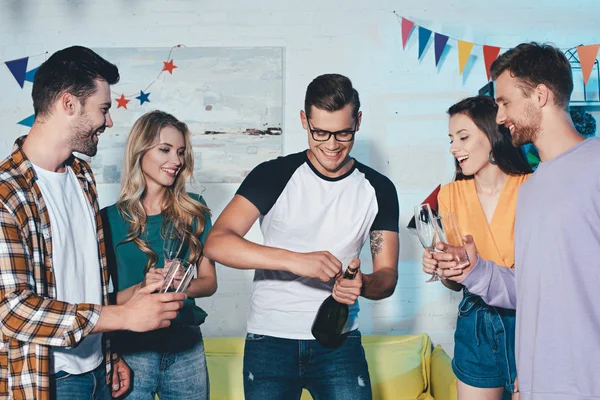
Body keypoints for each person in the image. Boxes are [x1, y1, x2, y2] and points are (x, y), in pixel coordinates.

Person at [0, 46, 186, 400]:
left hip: (98, 370)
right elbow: (11, 310)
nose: (109, 121)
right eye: (103, 109)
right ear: (68, 105)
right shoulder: (7, 192)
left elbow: (91, 281)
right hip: (49, 380)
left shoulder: (82, 175)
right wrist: (125, 317)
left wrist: (110, 353)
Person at [204, 73, 399, 399]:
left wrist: (362, 283)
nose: (332, 145)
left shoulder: (377, 189)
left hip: (340, 342)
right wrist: (295, 261)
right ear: (304, 121)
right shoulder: (274, 175)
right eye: (320, 132)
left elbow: (387, 276)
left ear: (358, 121)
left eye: (343, 133)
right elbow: (217, 242)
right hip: (269, 341)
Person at [434, 42, 600, 400]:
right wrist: (473, 270)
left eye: (505, 102)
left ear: (539, 95)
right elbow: (529, 288)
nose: (498, 117)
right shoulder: (533, 188)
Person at [101, 110, 217, 400]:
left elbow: (210, 282)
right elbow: (99, 303)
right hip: (130, 350)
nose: (176, 161)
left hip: (186, 346)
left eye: (180, 152)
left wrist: (180, 284)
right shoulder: (107, 220)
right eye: (165, 149)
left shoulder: (195, 210)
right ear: (140, 150)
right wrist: (141, 289)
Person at [422, 96, 532, 399]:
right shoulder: (449, 194)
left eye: (463, 137)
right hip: (474, 321)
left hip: (527, 321)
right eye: (451, 139)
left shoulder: (532, 187)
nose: (453, 148)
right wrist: (442, 266)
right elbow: (454, 284)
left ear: (492, 134)